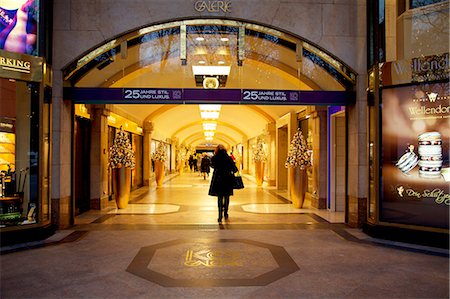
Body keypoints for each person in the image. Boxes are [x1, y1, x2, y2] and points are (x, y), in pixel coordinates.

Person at [208, 144, 238, 223]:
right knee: (227, 196)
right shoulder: (229, 158)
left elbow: (212, 165)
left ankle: (220, 215)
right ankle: (226, 212)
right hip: (227, 179)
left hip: (218, 179)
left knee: (220, 197)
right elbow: (235, 169)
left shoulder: (215, 157)